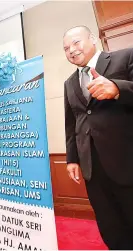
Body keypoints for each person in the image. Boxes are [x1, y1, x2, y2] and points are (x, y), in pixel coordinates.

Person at [63, 25, 133, 249]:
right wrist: (72, 159)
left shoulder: (125, 57)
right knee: (109, 223)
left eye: (76, 42)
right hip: (91, 166)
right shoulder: (69, 83)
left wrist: (118, 88)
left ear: (92, 39)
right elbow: (72, 123)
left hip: (126, 160)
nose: (71, 50)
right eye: (66, 48)